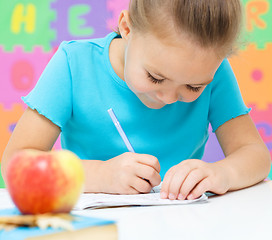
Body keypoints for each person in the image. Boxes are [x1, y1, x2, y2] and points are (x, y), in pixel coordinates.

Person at [1, 0, 271, 201]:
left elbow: (255, 155)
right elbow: (15, 165)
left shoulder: (212, 70)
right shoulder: (74, 65)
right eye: (155, 77)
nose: (168, 98)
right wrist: (101, 176)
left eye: (193, 86)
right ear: (127, 28)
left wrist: (222, 173)